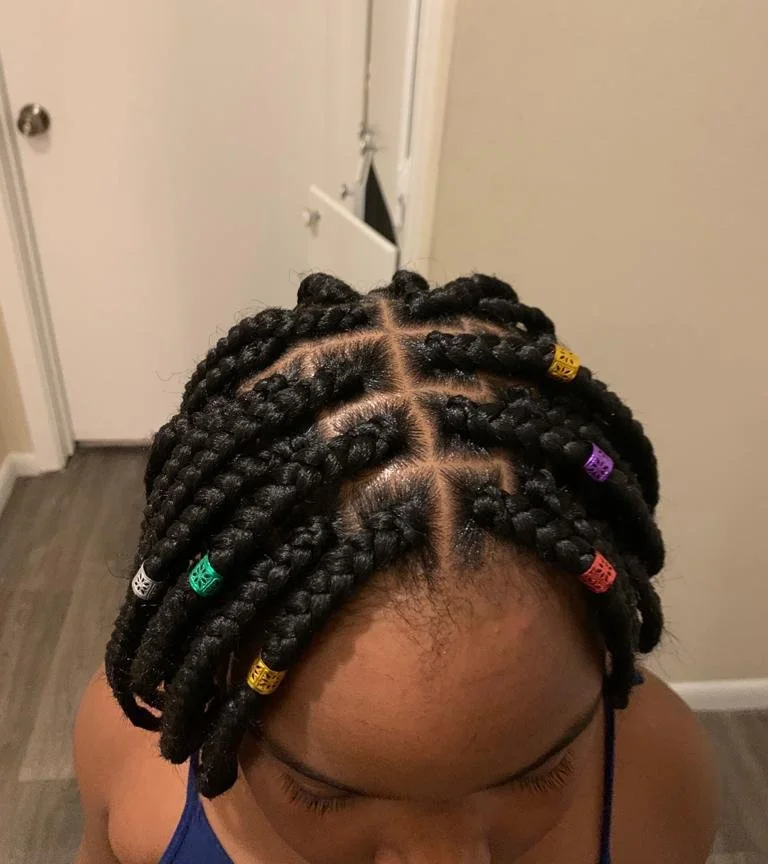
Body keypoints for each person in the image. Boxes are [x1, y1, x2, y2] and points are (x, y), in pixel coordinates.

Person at [74, 271, 719, 863]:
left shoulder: (661, 781)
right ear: (215, 667)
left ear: (602, 654)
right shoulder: (134, 768)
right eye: (321, 794)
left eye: (539, 773)